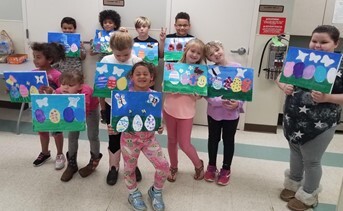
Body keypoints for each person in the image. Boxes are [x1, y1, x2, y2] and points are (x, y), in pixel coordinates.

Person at [276, 25, 343, 211]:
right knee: (295, 152)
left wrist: (327, 98)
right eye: (314, 41)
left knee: (312, 160)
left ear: (335, 43)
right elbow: (281, 77)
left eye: (324, 42)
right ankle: (293, 183)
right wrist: (284, 87)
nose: (317, 45)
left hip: (320, 124)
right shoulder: (301, 58)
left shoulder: (341, 65)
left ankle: (309, 194)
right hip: (293, 118)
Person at [108, 61, 169, 211]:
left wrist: (160, 125)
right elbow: (117, 119)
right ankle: (133, 193)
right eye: (138, 74)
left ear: (151, 78)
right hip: (129, 141)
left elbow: (158, 116)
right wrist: (113, 128)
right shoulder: (123, 96)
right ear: (132, 78)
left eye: (145, 74)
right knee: (129, 169)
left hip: (149, 140)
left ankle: (156, 191)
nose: (142, 76)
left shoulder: (154, 96)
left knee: (163, 166)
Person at [100, 31, 143, 186]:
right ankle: (113, 167)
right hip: (112, 105)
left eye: (126, 54)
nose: (122, 58)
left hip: (131, 106)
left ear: (131, 48)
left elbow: (143, 85)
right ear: (111, 49)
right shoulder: (106, 60)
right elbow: (101, 88)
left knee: (132, 137)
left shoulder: (136, 60)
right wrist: (103, 109)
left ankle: (132, 166)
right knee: (114, 136)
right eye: (118, 55)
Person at [163, 38, 206, 182]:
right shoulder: (172, 67)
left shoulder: (200, 72)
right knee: (171, 140)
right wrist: (169, 88)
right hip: (169, 109)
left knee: (184, 144)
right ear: (186, 50)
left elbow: (200, 94)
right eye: (192, 51)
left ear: (201, 57)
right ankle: (173, 167)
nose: (194, 55)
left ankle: (198, 164)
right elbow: (164, 85)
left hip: (186, 113)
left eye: (198, 53)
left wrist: (196, 95)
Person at [203, 41, 244, 186]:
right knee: (213, 139)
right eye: (211, 54)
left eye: (217, 50)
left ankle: (226, 169)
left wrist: (238, 104)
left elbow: (243, 91)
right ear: (209, 58)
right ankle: (211, 166)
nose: (216, 54)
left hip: (231, 114)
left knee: (228, 140)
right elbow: (206, 93)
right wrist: (219, 102)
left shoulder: (238, 68)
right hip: (214, 112)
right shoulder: (209, 71)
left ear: (222, 47)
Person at [53, 71, 102, 182]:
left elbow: (83, 111)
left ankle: (93, 162)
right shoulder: (61, 91)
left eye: (70, 85)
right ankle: (72, 164)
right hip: (74, 110)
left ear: (80, 86)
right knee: (72, 136)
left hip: (91, 110)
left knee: (93, 135)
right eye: (63, 84)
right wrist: (49, 92)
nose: (65, 87)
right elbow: (54, 95)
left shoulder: (86, 92)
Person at [31, 42, 66, 169]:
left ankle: (60, 154)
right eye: (34, 56)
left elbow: (64, 91)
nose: (35, 60)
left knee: (56, 131)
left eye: (38, 57)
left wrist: (53, 91)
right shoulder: (33, 73)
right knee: (42, 130)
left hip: (54, 108)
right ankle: (45, 152)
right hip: (39, 108)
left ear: (49, 59)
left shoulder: (56, 75)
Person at [91, 10, 121, 124]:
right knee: (101, 88)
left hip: (116, 64)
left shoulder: (118, 35)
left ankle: (115, 108)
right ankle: (103, 111)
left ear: (115, 24)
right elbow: (92, 53)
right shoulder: (99, 35)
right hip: (102, 65)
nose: (107, 24)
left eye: (110, 22)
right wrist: (94, 46)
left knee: (114, 86)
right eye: (105, 22)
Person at [133, 16, 159, 88]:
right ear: (136, 29)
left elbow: (158, 58)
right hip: (136, 73)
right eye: (139, 27)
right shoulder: (132, 42)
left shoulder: (154, 42)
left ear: (149, 27)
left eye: (144, 26)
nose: (141, 29)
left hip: (149, 74)